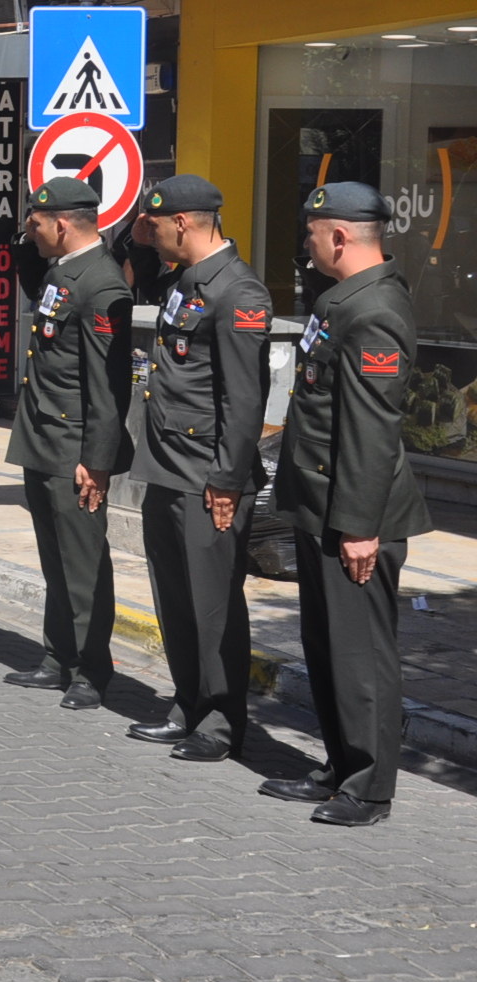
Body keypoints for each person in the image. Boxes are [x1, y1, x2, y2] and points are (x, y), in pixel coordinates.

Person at [267, 182, 430, 826]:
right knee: (329, 645)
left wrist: (359, 527)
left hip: (357, 516)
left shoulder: (377, 310)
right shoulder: (343, 298)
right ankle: (339, 767)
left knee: (360, 652)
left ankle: (368, 787)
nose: (306, 245)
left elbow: (370, 428)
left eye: (312, 234)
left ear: (338, 236)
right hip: (323, 504)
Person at [128, 174, 273, 763]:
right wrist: (139, 234)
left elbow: (245, 399)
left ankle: (220, 721)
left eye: (157, 225)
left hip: (207, 475)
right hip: (167, 465)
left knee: (213, 604)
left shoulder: (238, 292)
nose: (151, 235)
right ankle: (188, 701)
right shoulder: (185, 281)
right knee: (175, 597)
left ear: (183, 223)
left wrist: (227, 480)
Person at [3, 178, 136, 709]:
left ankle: (90, 668)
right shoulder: (63, 273)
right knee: (55, 560)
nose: (29, 233)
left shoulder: (102, 285)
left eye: (35, 223)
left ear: (61, 224)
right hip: (44, 439)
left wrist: (97, 461)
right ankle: (58, 656)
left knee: (82, 564)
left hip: (74, 447)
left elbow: (109, 387)